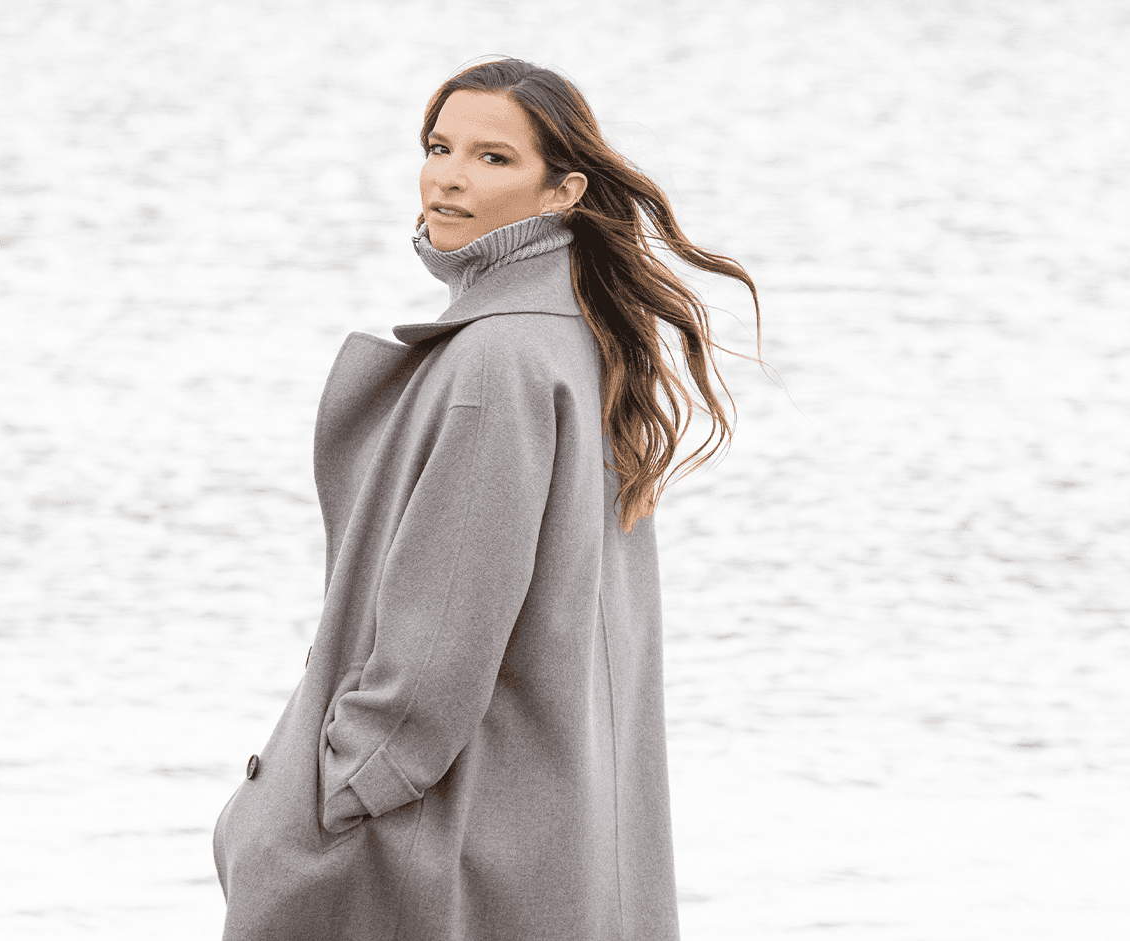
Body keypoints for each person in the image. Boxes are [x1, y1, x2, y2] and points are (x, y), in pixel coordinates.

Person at [212, 57, 758, 941]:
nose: (450, 176)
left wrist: (326, 801)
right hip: (547, 831)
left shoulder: (495, 362)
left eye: (493, 157)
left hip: (450, 853)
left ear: (562, 190)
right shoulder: (578, 338)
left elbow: (438, 646)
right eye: (439, 146)